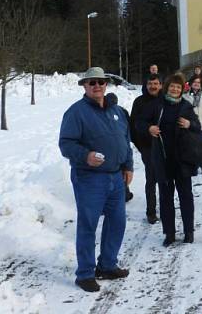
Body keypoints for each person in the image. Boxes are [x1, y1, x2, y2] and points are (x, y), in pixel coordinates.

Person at [59, 67, 134, 292]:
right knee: (88, 224)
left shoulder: (117, 111)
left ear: (106, 84)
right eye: (91, 82)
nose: (97, 86)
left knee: (117, 222)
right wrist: (86, 156)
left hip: (116, 177)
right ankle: (84, 274)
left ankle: (108, 265)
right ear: (84, 86)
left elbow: (125, 140)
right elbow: (66, 144)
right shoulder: (76, 112)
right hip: (89, 178)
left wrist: (128, 165)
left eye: (100, 82)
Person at [140, 72, 201, 246]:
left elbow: (198, 127)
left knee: (186, 197)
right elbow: (140, 122)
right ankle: (170, 233)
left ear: (182, 90)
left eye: (178, 87)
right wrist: (149, 128)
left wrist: (190, 124)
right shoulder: (157, 105)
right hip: (162, 158)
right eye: (172, 86)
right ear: (167, 88)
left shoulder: (186, 106)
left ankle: (189, 231)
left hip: (182, 159)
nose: (175, 89)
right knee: (166, 198)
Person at [129, 73, 163, 223]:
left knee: (165, 180)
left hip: (165, 147)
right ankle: (151, 212)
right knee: (151, 180)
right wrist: (141, 145)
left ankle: (166, 207)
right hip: (148, 147)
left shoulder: (166, 100)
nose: (153, 86)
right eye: (150, 84)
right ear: (146, 85)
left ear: (161, 85)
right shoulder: (139, 102)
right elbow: (133, 125)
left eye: (156, 83)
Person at [107, 93, 134, 202]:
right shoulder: (120, 111)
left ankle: (124, 193)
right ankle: (125, 194)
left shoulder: (118, 111)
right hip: (120, 146)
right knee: (122, 173)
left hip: (118, 147)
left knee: (121, 173)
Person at [183, 74, 202, 174]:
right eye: (194, 82)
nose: (196, 84)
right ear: (190, 83)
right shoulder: (185, 96)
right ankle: (194, 167)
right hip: (191, 126)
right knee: (193, 147)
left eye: (199, 82)